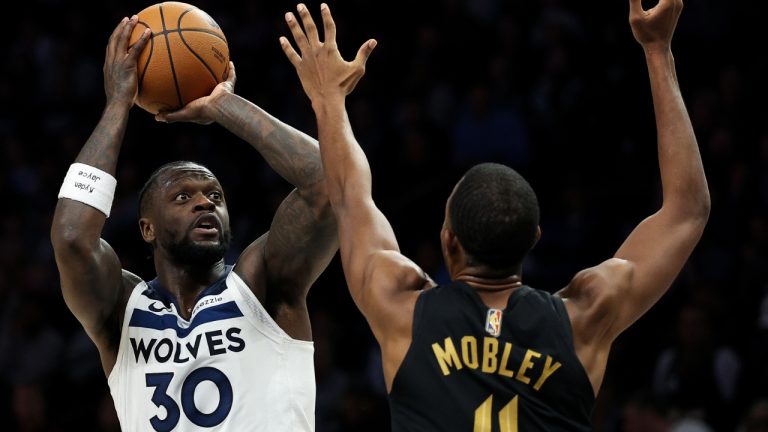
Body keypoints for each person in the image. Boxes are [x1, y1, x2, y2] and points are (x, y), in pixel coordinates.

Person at [280, 0, 709, 430]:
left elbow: (350, 196)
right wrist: (658, 52)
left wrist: (328, 99)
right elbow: (687, 210)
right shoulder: (584, 317)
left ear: (448, 240)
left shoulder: (401, 309)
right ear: (535, 238)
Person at [50, 15, 338, 432]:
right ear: (146, 228)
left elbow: (330, 182)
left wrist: (223, 105)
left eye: (215, 197)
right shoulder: (122, 309)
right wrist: (118, 102)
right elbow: (72, 236)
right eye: (183, 196)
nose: (205, 202)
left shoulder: (263, 285)